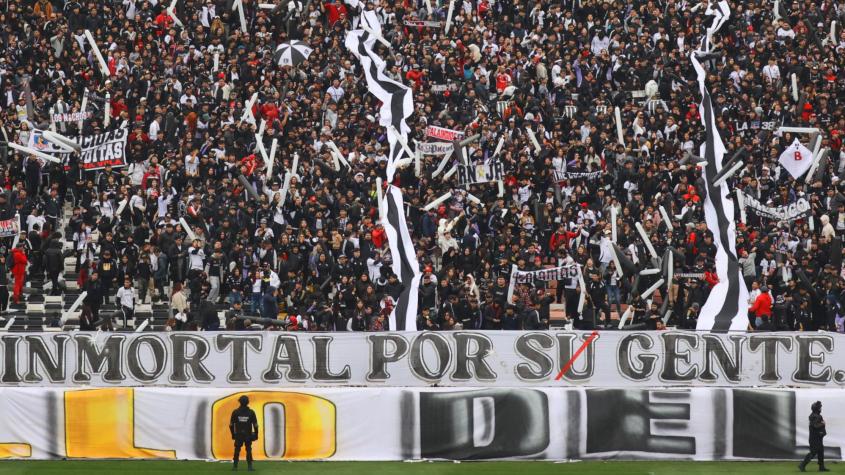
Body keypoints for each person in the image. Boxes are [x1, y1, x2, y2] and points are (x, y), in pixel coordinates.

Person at [229, 395, 258, 472]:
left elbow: (231, 425)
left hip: (238, 435)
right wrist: (256, 434)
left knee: (237, 449)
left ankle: (235, 467)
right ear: (248, 402)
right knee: (248, 449)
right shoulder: (251, 412)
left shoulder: (235, 412)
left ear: (239, 402)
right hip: (248, 434)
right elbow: (255, 425)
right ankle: (250, 467)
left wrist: (233, 434)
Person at [799, 401, 829, 472]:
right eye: (819, 407)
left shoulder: (817, 415)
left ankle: (821, 467)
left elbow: (817, 425)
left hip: (818, 437)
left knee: (821, 451)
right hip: (814, 438)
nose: (820, 409)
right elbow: (815, 426)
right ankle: (802, 465)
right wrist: (823, 424)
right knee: (813, 452)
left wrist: (822, 425)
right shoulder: (814, 416)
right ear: (816, 409)